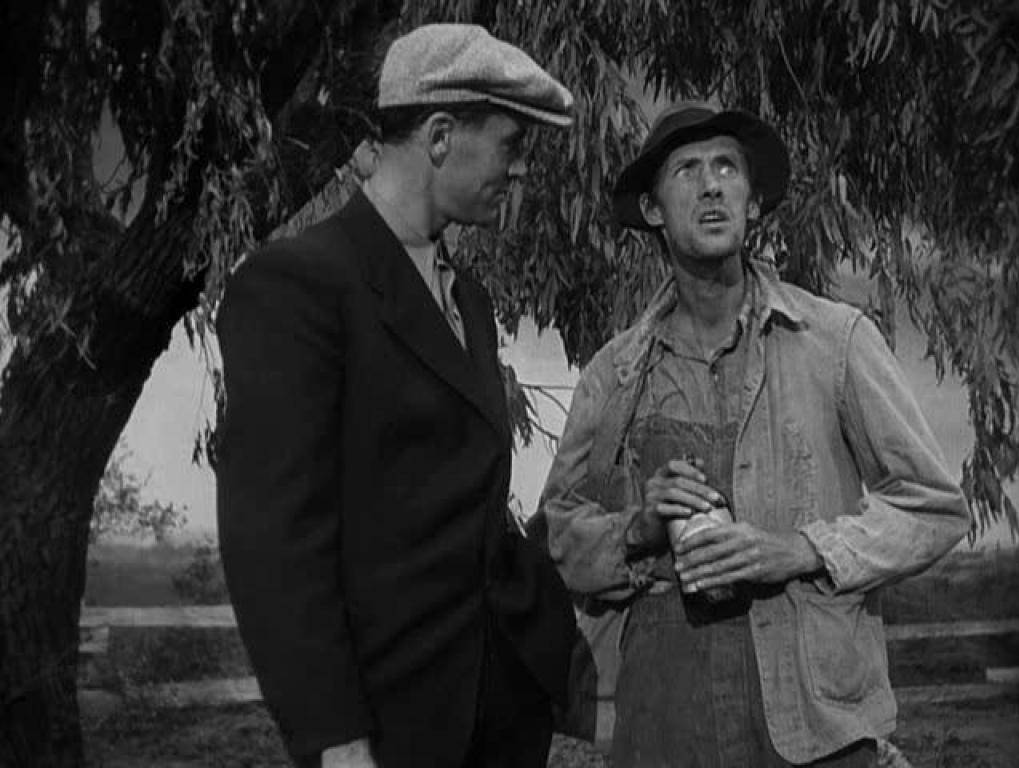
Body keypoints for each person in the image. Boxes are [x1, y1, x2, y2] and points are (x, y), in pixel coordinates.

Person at [537, 101, 970, 767]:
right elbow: (558, 538)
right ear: (652, 210)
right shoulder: (616, 372)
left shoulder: (834, 341)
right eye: (686, 170)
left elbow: (933, 507)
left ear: (753, 202)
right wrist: (639, 529)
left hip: (813, 728)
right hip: (666, 725)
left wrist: (800, 549)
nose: (711, 185)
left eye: (726, 168)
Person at [216, 24, 576, 768]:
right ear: (440, 135)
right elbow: (276, 544)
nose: (520, 173)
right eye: (511, 145)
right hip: (389, 730)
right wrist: (334, 738)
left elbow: (467, 505)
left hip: (500, 714)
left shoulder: (469, 300)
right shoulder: (298, 286)